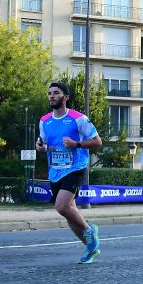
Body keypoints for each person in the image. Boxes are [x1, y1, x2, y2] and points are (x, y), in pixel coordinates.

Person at [35, 82, 103, 263]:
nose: (51, 96)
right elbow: (43, 143)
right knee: (68, 212)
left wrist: (76, 144)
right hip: (55, 170)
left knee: (62, 207)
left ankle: (89, 230)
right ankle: (91, 248)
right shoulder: (44, 120)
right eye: (49, 93)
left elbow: (97, 142)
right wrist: (40, 147)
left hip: (75, 167)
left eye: (56, 93)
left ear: (65, 97)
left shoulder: (78, 118)